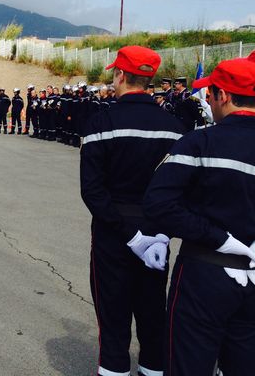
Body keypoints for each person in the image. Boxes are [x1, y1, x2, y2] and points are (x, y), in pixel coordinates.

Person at [143, 58, 255, 376]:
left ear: (223, 96)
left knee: (188, 362)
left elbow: (159, 204)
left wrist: (218, 237)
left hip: (205, 273)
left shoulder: (200, 142)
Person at [80, 46, 185, 376]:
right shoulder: (175, 127)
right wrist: (159, 234)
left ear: (121, 75)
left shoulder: (101, 123)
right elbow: (181, 190)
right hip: (156, 234)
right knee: (153, 315)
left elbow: (93, 191)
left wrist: (130, 235)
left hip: (114, 233)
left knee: (113, 320)